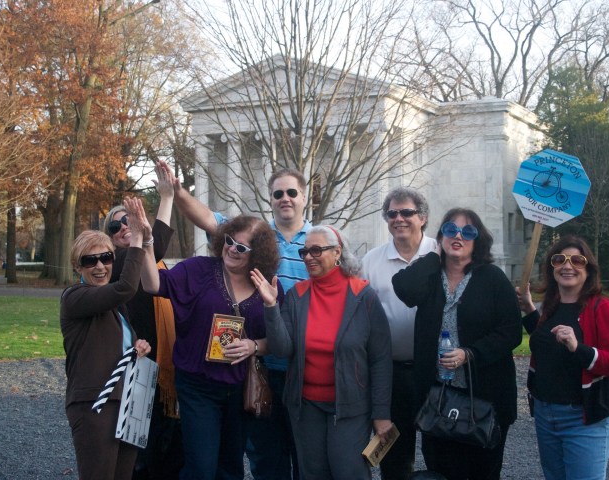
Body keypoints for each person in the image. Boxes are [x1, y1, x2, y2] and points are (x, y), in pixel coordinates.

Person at [161, 159, 307, 479]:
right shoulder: (253, 234)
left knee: (305, 454)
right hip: (257, 366)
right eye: (277, 192)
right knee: (264, 456)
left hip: (301, 365)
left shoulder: (318, 241)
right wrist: (175, 190)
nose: (285, 198)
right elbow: (206, 218)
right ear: (270, 198)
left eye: (292, 192)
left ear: (304, 197)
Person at [131, 195, 284, 480]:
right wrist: (146, 242)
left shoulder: (266, 285)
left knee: (230, 468)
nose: (232, 250)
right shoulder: (199, 270)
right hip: (197, 386)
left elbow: (278, 342)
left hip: (240, 388)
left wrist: (253, 345)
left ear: (258, 253)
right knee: (201, 467)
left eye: (241, 247)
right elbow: (152, 284)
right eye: (228, 241)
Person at [251, 225, 394, 480]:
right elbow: (283, 350)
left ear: (337, 252)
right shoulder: (297, 296)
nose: (307, 257)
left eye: (316, 250)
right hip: (306, 406)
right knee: (313, 472)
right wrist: (271, 306)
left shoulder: (363, 296)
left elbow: (381, 360)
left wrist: (381, 415)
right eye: (305, 251)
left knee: (348, 470)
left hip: (350, 405)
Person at [392, 208, 522, 480]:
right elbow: (403, 287)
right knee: (439, 472)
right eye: (450, 230)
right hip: (437, 401)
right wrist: (433, 257)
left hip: (484, 400)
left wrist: (470, 353)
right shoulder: (429, 278)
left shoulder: (493, 278)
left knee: (482, 472)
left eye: (468, 231)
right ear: (440, 237)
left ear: (479, 240)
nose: (458, 236)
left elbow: (511, 333)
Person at [516, 235, 609, 480]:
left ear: (588, 269)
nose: (568, 266)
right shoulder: (552, 306)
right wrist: (528, 310)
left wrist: (579, 348)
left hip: (584, 420)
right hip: (546, 416)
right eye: (559, 260)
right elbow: (548, 342)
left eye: (577, 260)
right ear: (552, 268)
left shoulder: (604, 309)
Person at [103, 163, 184, 479]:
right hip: (138, 367)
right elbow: (155, 246)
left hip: (168, 365)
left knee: (172, 447)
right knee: (140, 451)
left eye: (129, 220)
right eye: (115, 226)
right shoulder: (118, 262)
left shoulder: (160, 267)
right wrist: (166, 197)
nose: (123, 226)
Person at [60, 225, 152, 480]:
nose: (100, 266)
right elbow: (125, 287)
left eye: (106, 258)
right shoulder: (75, 297)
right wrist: (137, 242)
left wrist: (136, 350)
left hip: (129, 400)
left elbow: (112, 345)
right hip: (96, 403)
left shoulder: (116, 306)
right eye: (89, 260)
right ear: (78, 267)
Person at [361, 187, 438, 480]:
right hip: (389, 373)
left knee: (439, 452)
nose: (399, 219)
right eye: (392, 213)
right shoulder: (371, 261)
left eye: (407, 212)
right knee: (395, 458)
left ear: (423, 217)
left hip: (434, 371)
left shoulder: (440, 253)